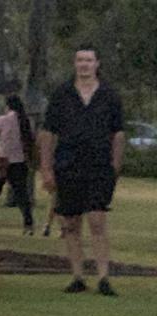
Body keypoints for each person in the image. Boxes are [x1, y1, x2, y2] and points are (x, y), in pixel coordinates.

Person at [39, 43, 125, 296]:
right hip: (67, 165)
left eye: (89, 60)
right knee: (70, 223)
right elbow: (47, 133)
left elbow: (118, 133)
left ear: (97, 64)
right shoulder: (62, 94)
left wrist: (115, 166)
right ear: (75, 63)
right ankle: (77, 276)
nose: (84, 64)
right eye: (80, 60)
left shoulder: (109, 95)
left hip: (99, 167)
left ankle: (103, 277)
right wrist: (46, 168)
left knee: (97, 221)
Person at [0, 95, 35, 235]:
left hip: (2, 160)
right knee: (22, 195)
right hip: (19, 161)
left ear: (8, 106)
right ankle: (28, 224)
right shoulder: (25, 120)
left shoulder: (4, 119)